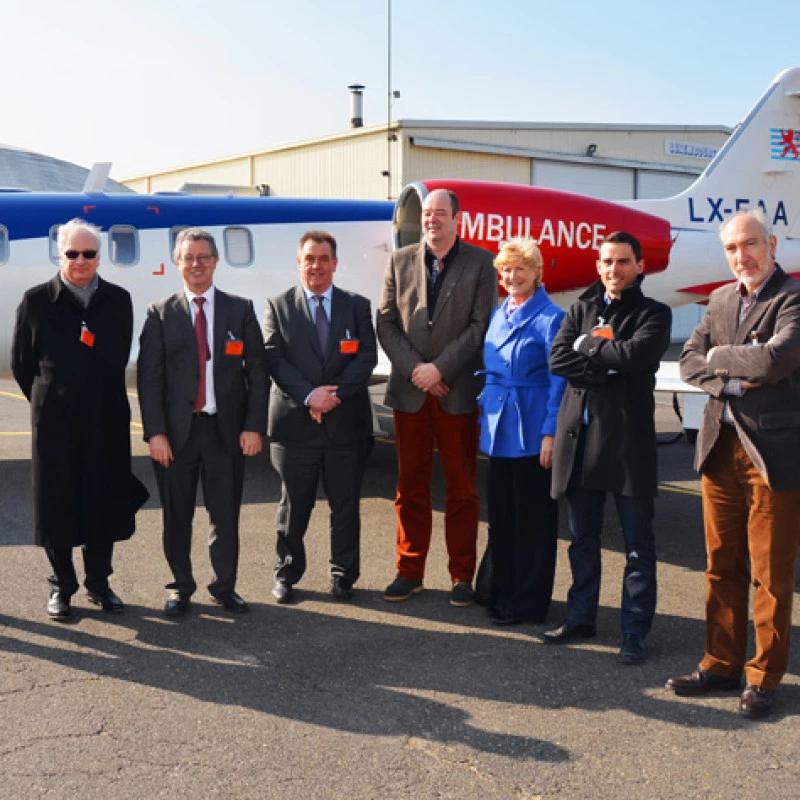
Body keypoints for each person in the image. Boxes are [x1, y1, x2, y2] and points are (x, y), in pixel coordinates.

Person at [666, 209, 800, 718]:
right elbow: (688, 361)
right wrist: (733, 374)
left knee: (771, 574)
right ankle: (721, 663)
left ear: (771, 243)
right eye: (731, 249)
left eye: (749, 244)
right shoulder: (721, 298)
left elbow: (774, 360)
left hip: (772, 455)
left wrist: (719, 359)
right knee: (721, 566)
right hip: (719, 449)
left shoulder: (793, 296)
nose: (741, 256)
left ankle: (763, 676)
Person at [543, 231, 671, 664]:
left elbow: (636, 358)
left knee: (638, 544)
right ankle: (581, 617)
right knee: (582, 538)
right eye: (606, 262)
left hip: (626, 446)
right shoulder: (579, 308)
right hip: (580, 444)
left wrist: (590, 347)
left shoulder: (655, 313)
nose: (612, 270)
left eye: (621, 262)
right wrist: (605, 363)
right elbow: (558, 359)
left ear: (639, 266)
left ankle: (634, 631)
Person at [11, 218, 148, 620]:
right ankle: (62, 586)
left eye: (89, 254)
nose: (81, 260)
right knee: (56, 505)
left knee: (102, 502)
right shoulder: (36, 302)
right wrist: (51, 401)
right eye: (73, 253)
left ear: (99, 257)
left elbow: (118, 358)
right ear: (60, 254)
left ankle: (99, 583)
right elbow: (23, 365)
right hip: (55, 425)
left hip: (105, 422)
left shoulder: (118, 300)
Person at [137, 228, 268, 617]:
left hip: (224, 432)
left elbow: (258, 373)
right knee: (177, 515)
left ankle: (224, 586)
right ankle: (180, 586)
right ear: (177, 264)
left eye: (203, 257)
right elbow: (150, 380)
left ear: (215, 262)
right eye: (188, 257)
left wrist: (253, 425)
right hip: (176, 436)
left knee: (225, 514)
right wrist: (156, 433)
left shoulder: (240, 310)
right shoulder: (160, 314)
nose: (196, 264)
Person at [377, 188, 496, 606]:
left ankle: (461, 576)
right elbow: (386, 322)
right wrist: (418, 371)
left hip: (456, 391)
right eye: (428, 214)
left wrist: (440, 369)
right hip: (411, 392)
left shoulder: (481, 262)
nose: (432, 220)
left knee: (462, 490)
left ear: (457, 219)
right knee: (410, 488)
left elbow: (481, 326)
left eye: (441, 213)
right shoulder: (399, 259)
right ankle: (409, 572)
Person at [264, 231, 376, 603]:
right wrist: (310, 396)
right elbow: (274, 358)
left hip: (345, 425)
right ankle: (286, 574)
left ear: (335, 263)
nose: (316, 266)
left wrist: (333, 396)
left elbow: (366, 358)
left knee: (345, 505)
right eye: (309, 258)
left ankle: (343, 575)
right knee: (293, 507)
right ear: (299, 263)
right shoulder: (278, 306)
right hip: (295, 426)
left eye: (323, 259)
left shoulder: (357, 306)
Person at [478, 238, 567, 625]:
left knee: (532, 518)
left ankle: (527, 601)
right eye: (507, 270)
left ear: (537, 273)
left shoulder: (552, 317)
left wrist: (551, 432)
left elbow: (558, 380)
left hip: (532, 425)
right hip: (498, 425)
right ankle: (500, 587)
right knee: (501, 513)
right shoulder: (500, 313)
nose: (512, 276)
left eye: (521, 269)